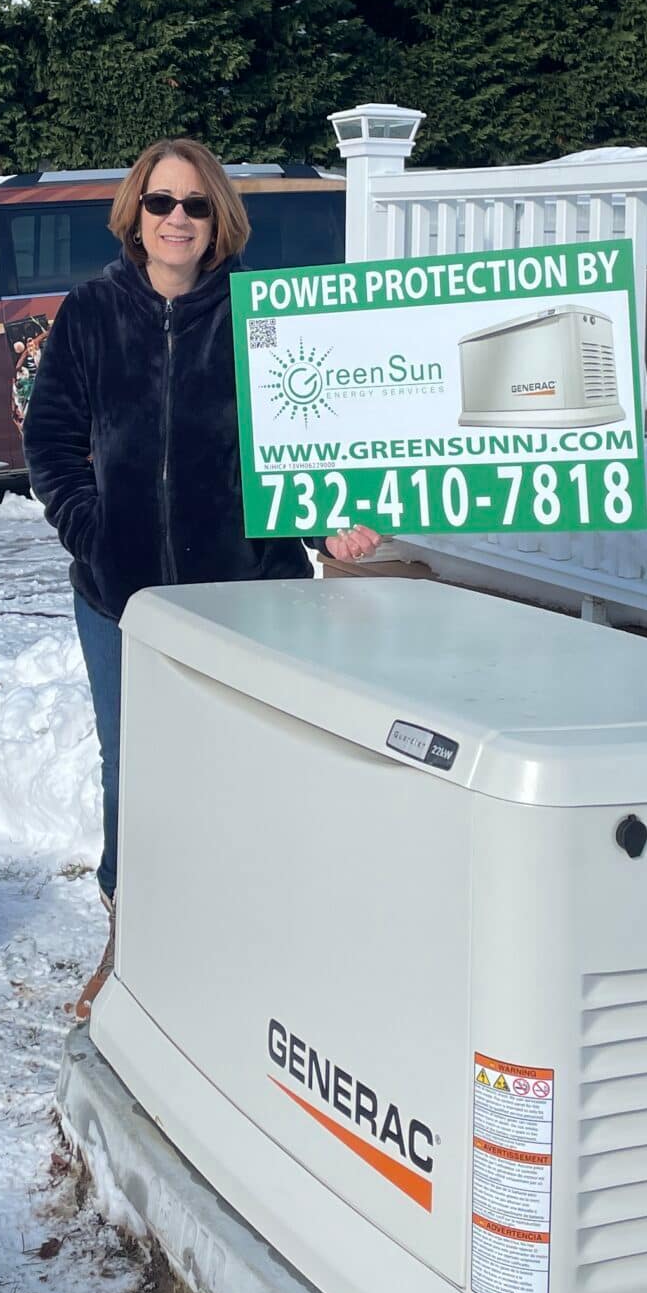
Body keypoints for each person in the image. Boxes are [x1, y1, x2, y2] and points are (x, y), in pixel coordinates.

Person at [22, 139, 379, 1018]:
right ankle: (133, 937)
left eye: (195, 206)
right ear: (133, 213)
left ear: (220, 218)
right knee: (133, 769)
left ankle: (248, 942)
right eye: (160, 203)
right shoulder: (91, 312)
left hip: (242, 594)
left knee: (244, 765)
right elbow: (51, 439)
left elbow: (302, 445)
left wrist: (327, 521)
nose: (176, 219)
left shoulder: (262, 319)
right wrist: (91, 530)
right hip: (122, 596)